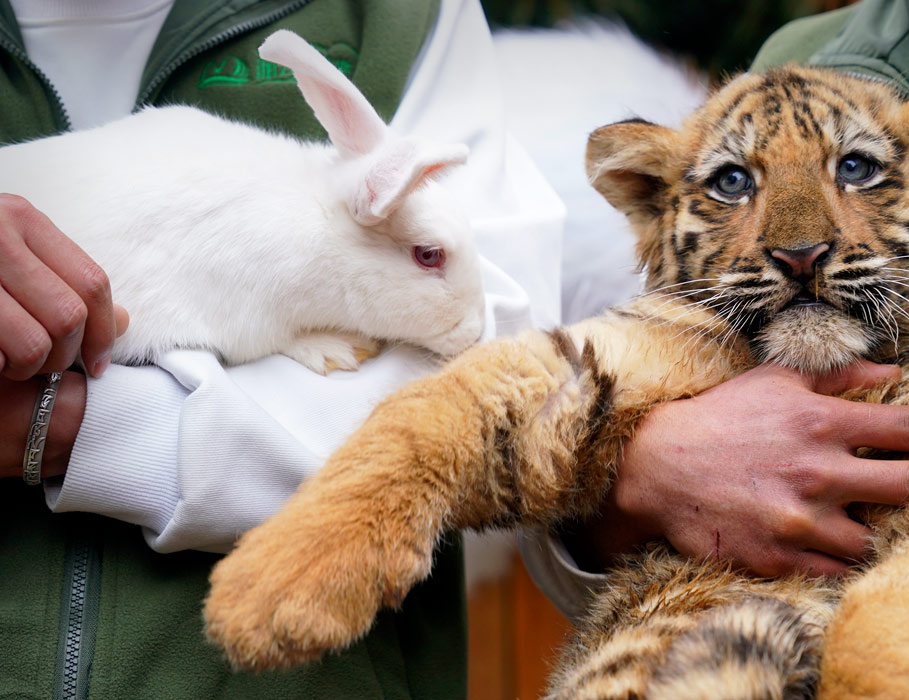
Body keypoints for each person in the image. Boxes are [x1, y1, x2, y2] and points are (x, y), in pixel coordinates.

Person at [522, 0, 909, 697]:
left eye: (859, 168)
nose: (800, 245)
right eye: (736, 182)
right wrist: (638, 478)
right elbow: (580, 519)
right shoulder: (801, 54)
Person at [0, 0, 563, 697]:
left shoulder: (409, 16)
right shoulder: (286, 230)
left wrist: (70, 426)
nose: (463, 318)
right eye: (424, 258)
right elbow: (242, 320)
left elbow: (500, 378)